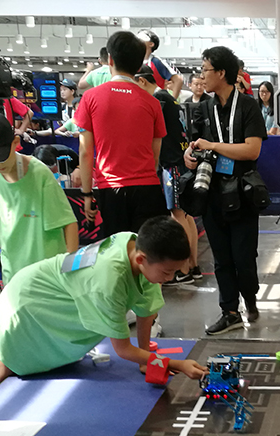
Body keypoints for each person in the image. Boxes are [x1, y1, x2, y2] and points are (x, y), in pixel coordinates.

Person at [0, 217, 207, 401]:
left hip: (61, 294)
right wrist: (177, 364)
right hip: (26, 301)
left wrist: (146, 360)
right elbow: (123, 349)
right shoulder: (109, 281)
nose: (169, 278)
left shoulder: (136, 245)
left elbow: (146, 308)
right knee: (2, 368)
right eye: (167, 272)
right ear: (140, 259)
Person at [183, 45, 267, 335]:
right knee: (221, 257)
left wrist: (214, 146)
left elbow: (252, 149)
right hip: (212, 190)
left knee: (244, 255)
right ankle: (229, 311)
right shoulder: (203, 108)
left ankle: (250, 297)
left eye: (205, 70)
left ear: (221, 72)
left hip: (242, 191)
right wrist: (190, 155)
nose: (201, 76)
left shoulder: (248, 106)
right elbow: (196, 145)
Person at [0, 111, 78, 288]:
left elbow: (68, 222)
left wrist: (70, 264)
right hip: (13, 272)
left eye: (0, 157)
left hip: (50, 271)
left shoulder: (39, 173)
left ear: (15, 142)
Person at [76, 31, 168, 239]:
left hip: (111, 189)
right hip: (148, 189)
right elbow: (155, 155)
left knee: (117, 251)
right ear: (139, 65)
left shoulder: (90, 97)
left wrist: (87, 193)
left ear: (110, 59)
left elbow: (85, 152)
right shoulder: (152, 103)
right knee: (147, 250)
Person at [134, 66, 201, 286]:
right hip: (181, 161)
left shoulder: (157, 101)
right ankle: (193, 266)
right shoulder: (169, 98)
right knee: (186, 216)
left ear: (142, 81)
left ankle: (183, 270)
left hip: (173, 164)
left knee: (178, 215)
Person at [137, 30, 183, 99]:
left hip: (155, 101)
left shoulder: (156, 61)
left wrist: (173, 100)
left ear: (151, 44)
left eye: (142, 38)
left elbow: (178, 80)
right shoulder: (134, 62)